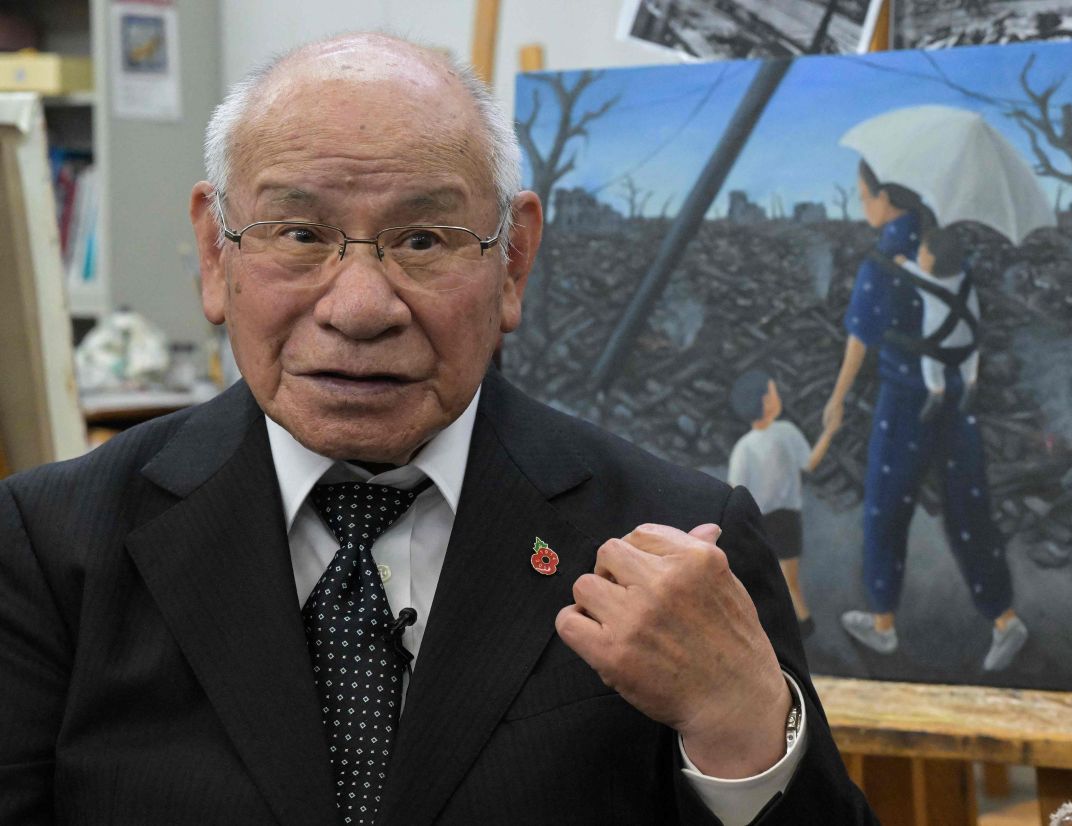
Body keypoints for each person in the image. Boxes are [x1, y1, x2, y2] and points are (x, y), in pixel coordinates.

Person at [0, 34, 874, 825]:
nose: (359, 307)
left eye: (424, 240)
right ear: (215, 251)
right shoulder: (56, 547)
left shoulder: (675, 541)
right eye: (299, 233)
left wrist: (745, 733)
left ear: (513, 261)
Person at [821, 161, 1027, 672]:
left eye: (864, 194)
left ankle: (884, 625)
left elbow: (859, 341)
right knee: (969, 507)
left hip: (905, 402)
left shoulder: (881, 262)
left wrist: (838, 398)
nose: (861, 204)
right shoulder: (949, 248)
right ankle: (1003, 618)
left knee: (887, 509)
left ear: (887, 198)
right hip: (957, 398)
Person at [726, 370, 830, 639]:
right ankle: (804, 626)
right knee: (789, 579)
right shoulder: (786, 432)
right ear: (765, 401)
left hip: (760, 520)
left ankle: (785, 630)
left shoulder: (743, 447)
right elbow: (810, 462)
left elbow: (736, 491)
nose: (777, 396)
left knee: (766, 578)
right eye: (773, 391)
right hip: (786, 518)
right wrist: (829, 432)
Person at [892, 227, 980, 421]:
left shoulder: (927, 282)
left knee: (930, 365)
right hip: (969, 345)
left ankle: (936, 393)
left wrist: (903, 261)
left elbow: (910, 269)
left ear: (931, 260)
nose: (917, 255)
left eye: (921, 253)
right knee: (970, 362)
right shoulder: (966, 280)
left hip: (940, 349)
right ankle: (971, 385)